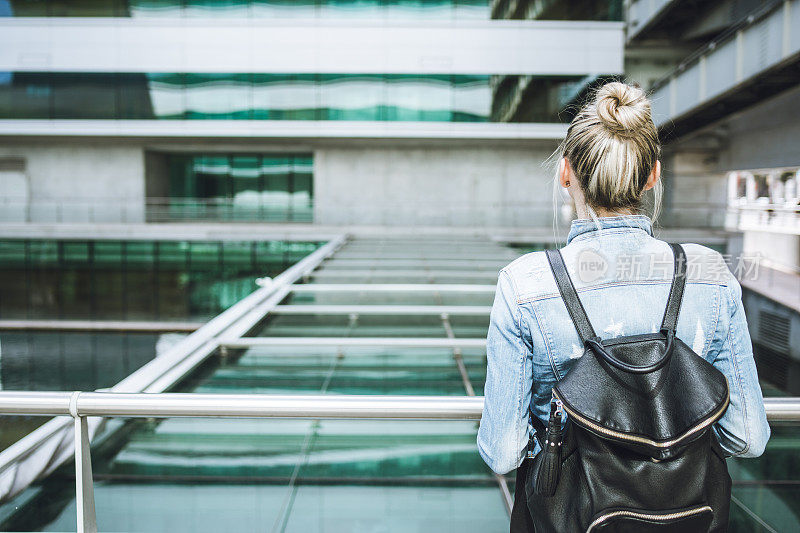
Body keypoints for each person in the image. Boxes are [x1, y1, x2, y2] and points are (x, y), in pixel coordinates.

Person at [476, 81, 770, 530]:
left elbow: (503, 451)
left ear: (565, 174)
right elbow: (747, 438)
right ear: (652, 175)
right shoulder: (709, 273)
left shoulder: (525, 284)